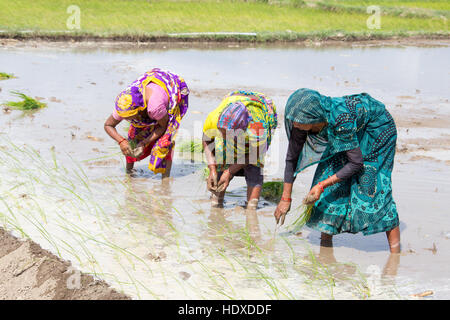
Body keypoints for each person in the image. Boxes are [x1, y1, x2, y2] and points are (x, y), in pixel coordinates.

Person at [274, 88, 401, 253]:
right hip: (348, 130)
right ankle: (325, 250)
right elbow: (291, 158)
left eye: (299, 121)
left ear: (314, 117)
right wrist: (285, 198)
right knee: (327, 174)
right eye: (293, 120)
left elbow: (355, 163)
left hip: (377, 129)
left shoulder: (341, 119)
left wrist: (321, 186)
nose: (295, 124)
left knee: (372, 187)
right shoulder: (302, 122)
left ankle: (395, 254)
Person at [104, 68, 189, 177]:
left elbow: (163, 127)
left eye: (130, 117)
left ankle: (165, 179)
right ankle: (129, 174)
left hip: (172, 88)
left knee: (165, 141)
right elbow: (108, 125)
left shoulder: (155, 107)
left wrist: (144, 143)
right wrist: (121, 141)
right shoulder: (125, 104)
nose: (126, 119)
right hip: (151, 87)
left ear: (139, 109)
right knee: (132, 138)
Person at [202, 90, 277, 209]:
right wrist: (212, 168)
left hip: (263, 107)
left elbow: (256, 153)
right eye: (221, 132)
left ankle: (252, 206)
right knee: (223, 157)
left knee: (254, 166)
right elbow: (206, 139)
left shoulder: (257, 127)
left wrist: (230, 171)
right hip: (234, 99)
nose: (224, 136)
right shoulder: (214, 119)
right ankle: (217, 201)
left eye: (228, 134)